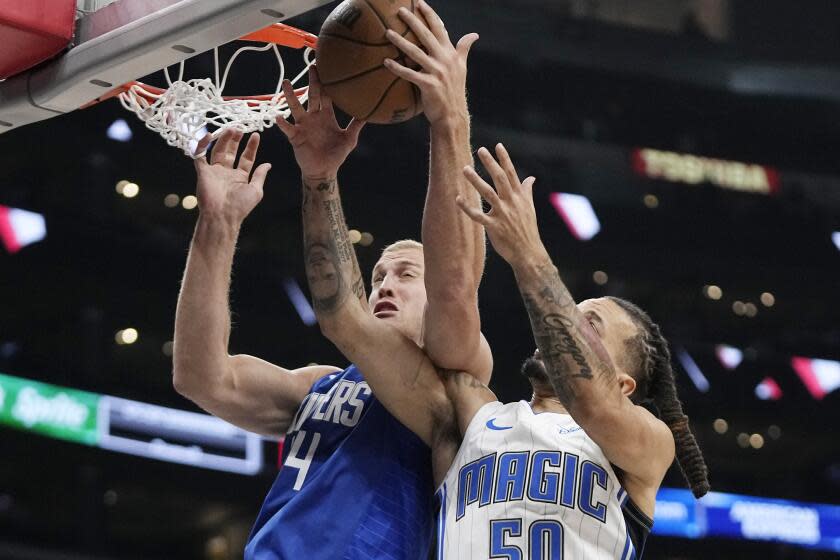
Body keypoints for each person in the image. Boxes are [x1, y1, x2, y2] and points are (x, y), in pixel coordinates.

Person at [171, 3, 488, 558]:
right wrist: (217, 227)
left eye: (406, 273)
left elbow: (455, 278)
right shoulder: (321, 385)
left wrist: (449, 119)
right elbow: (201, 376)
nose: (384, 282)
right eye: (380, 272)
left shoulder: (460, 378)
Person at [306, 142, 711, 559]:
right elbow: (347, 320)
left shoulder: (647, 445)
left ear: (625, 384)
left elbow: (594, 404)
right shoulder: (469, 412)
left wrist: (527, 252)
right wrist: (319, 177)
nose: (562, 323)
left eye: (587, 323)